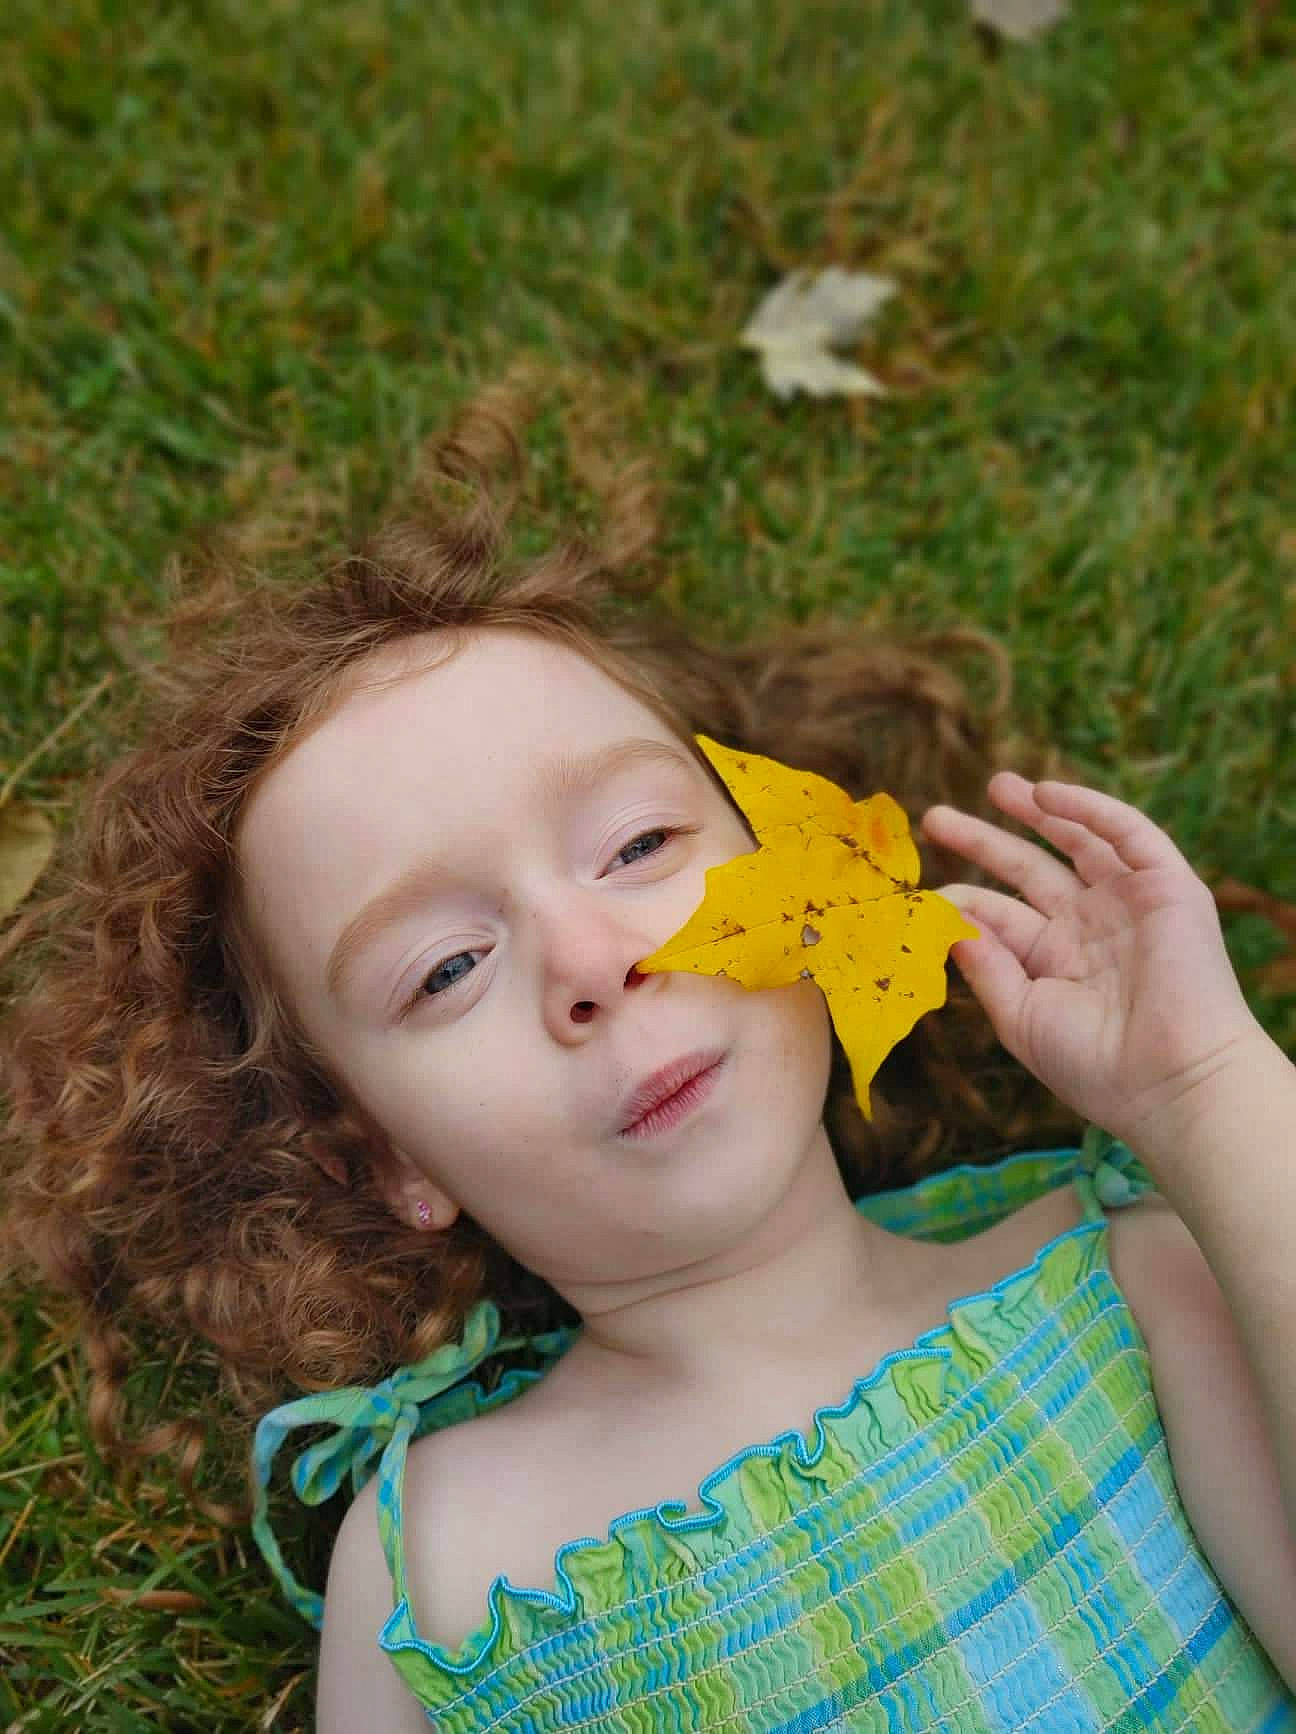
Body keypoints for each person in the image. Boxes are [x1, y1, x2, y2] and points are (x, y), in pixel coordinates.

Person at [2, 376, 1294, 1731]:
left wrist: (1207, 1092)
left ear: (805, 873)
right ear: (386, 1158)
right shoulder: (442, 1569)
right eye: (447, 968)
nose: (590, 960)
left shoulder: (1130, 1280)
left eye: (637, 846)